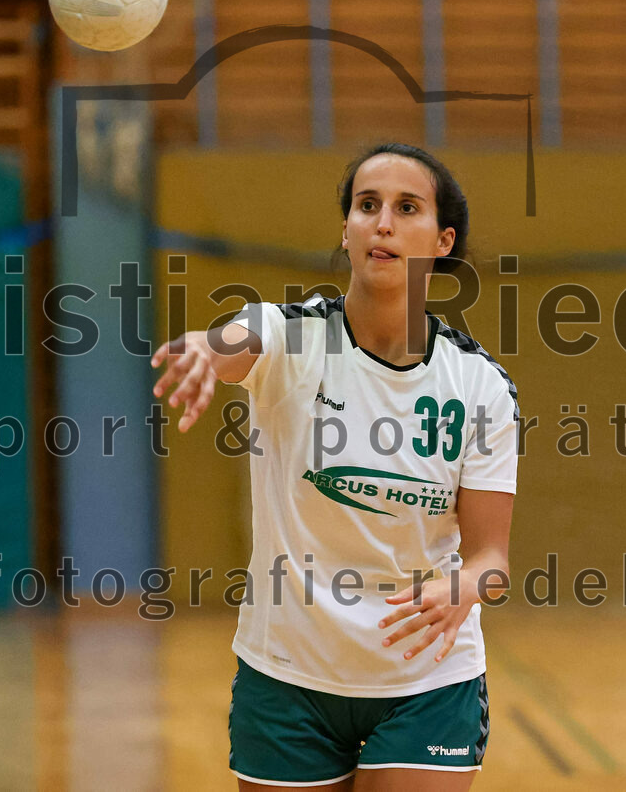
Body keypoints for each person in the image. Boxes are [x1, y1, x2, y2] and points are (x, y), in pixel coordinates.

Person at [150, 143, 518, 791]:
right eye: (367, 205)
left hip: (426, 675)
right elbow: (238, 337)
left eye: (407, 208)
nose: (383, 223)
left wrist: (463, 586)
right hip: (289, 672)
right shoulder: (290, 338)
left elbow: (492, 558)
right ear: (346, 230)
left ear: (443, 240)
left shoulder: (480, 385)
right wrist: (204, 347)